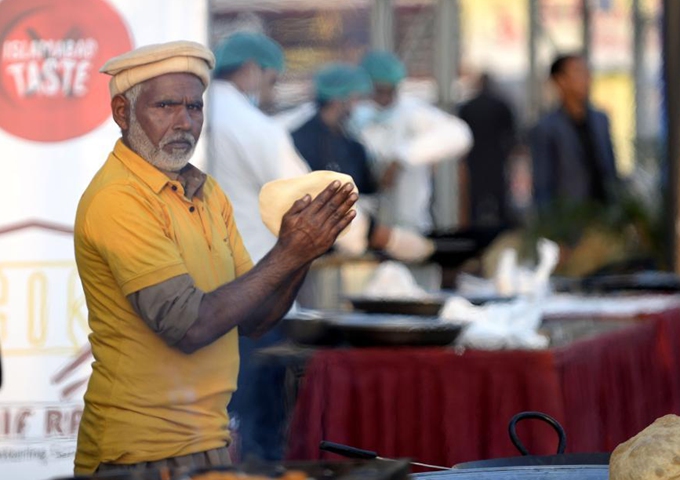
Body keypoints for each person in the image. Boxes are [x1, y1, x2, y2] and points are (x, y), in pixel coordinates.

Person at [73, 40, 358, 474]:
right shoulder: (118, 199)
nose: (184, 122)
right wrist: (288, 252)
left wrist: (306, 251)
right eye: (165, 106)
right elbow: (188, 326)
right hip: (138, 453)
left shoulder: (207, 192)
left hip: (209, 441)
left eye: (194, 107)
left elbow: (255, 320)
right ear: (122, 113)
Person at [205, 34, 434, 460]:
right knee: (259, 420)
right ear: (254, 69)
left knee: (219, 418)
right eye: (271, 79)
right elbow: (315, 198)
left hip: (207, 293)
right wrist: (377, 237)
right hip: (257, 288)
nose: (270, 89)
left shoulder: (199, 114)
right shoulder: (254, 126)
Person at [349, 50, 473, 233]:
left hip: (410, 227)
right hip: (362, 228)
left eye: (389, 91)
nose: (384, 98)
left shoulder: (412, 112)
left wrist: (401, 158)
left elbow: (460, 135)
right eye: (378, 90)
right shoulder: (354, 116)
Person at [528, 54, 618, 212]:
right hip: (568, 220)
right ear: (560, 81)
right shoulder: (546, 128)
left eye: (587, 72)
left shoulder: (600, 120)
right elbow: (542, 185)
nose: (586, 79)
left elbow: (610, 170)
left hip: (604, 218)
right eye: (578, 72)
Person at [291, 63, 378, 195]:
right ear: (338, 99)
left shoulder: (351, 144)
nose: (359, 106)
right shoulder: (300, 142)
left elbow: (366, 187)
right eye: (356, 98)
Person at [457, 72, 518, 229]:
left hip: (475, 159)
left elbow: (461, 137)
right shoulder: (501, 105)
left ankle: (472, 232)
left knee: (474, 200)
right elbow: (511, 134)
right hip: (496, 158)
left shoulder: (468, 107)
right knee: (500, 198)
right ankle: (503, 232)